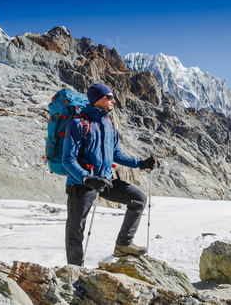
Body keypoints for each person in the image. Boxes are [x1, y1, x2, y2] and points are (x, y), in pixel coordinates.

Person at [62, 83, 159, 266]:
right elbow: (67, 159)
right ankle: (74, 271)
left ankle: (123, 244)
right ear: (97, 99)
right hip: (81, 183)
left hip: (105, 180)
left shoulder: (109, 123)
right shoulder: (78, 123)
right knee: (76, 230)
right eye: (109, 97)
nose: (114, 100)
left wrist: (140, 164)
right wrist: (87, 178)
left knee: (138, 199)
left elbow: (117, 155)